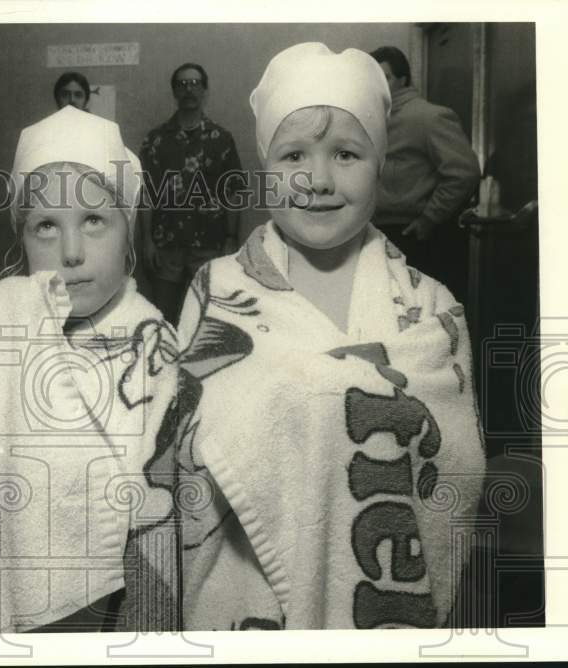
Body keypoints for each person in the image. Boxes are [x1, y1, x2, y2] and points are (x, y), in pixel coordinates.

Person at [173, 43, 485, 630]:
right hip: (252, 598)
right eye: (293, 155)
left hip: (386, 584)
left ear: (382, 164)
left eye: (346, 153)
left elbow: (460, 466)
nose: (317, 179)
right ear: (265, 168)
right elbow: (180, 445)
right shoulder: (214, 291)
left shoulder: (429, 304)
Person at [0, 105, 181, 633]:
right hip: (21, 593)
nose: (71, 252)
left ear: (128, 229)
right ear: (22, 237)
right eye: (47, 226)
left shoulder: (153, 341)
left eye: (94, 221)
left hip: (124, 595)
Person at [369, 46, 481, 303]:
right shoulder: (372, 120)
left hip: (416, 238)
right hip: (380, 235)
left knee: (423, 313)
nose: (377, 85)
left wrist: (429, 218)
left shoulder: (428, 117)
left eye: (384, 77)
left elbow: (464, 173)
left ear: (402, 80)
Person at [139, 62, 243, 325]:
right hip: (166, 245)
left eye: (195, 83)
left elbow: (233, 193)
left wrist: (231, 238)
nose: (189, 89)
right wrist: (148, 240)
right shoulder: (156, 140)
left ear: (205, 90)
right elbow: (146, 193)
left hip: (209, 245)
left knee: (206, 317)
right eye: (182, 84)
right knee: (163, 317)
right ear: (174, 91)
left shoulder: (221, 138)